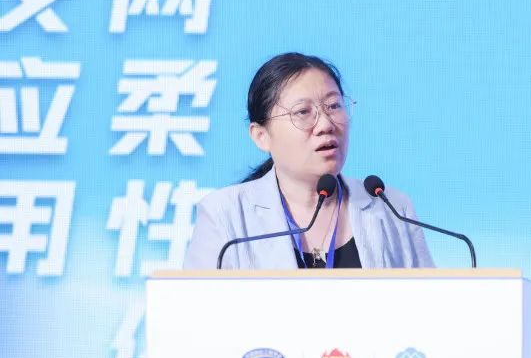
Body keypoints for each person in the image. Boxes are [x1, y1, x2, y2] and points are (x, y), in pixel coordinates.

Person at [183, 52, 434, 269]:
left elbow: (427, 302)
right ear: (261, 136)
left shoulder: (391, 208)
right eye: (303, 112)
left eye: (334, 106)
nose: (325, 125)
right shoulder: (224, 214)